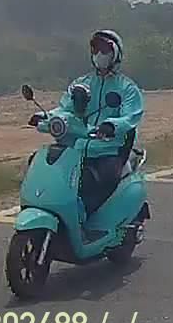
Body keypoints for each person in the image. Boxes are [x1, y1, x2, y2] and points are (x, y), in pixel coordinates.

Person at [43, 30, 145, 216]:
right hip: (78, 147)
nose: (99, 54)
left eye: (104, 50)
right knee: (48, 171)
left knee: (100, 180)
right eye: (96, 49)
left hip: (109, 150)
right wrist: (46, 117)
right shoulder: (82, 83)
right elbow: (65, 108)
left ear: (115, 54)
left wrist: (111, 125)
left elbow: (131, 116)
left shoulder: (127, 88)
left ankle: (96, 221)